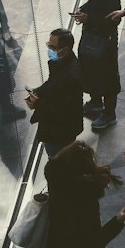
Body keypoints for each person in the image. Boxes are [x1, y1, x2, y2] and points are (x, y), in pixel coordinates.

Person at [74, 0, 122, 131]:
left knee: (108, 77)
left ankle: (110, 113)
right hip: (93, 36)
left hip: (105, 41)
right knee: (91, 69)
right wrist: (83, 9)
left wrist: (89, 19)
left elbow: (112, 20)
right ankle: (95, 102)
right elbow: (94, 3)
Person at [27, 27, 83, 159]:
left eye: (53, 47)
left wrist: (37, 103)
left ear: (65, 49)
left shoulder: (72, 76)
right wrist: (37, 92)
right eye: (48, 45)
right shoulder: (60, 63)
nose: (50, 50)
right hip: (56, 128)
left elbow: (63, 110)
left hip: (60, 132)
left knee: (59, 161)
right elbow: (51, 82)